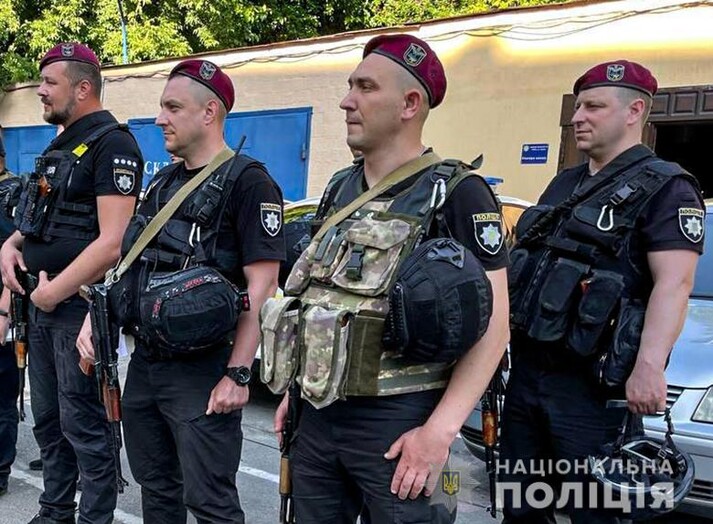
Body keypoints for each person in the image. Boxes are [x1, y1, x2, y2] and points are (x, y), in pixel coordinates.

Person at [271, 34, 510, 523]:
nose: (347, 101)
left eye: (365, 87)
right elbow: (320, 296)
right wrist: (296, 394)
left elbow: (495, 327)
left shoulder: (458, 192)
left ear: (410, 104)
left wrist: (440, 433)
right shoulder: (340, 187)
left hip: (406, 423)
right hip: (317, 418)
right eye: (350, 86)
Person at [77, 59, 284, 523]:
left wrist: (238, 374)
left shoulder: (248, 182)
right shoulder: (164, 181)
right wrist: (96, 318)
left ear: (210, 112)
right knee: (156, 490)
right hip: (147, 365)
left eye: (172, 108)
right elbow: (131, 263)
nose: (159, 119)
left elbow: (263, 286)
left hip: (204, 369)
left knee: (210, 502)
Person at [502, 60, 704, 523]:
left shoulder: (667, 188)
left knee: (593, 510)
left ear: (634, 111)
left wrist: (649, 367)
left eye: (594, 107)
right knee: (520, 504)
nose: (578, 117)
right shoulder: (565, 182)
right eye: (578, 107)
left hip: (592, 389)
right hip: (530, 375)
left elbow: (675, 283)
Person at [0, 43, 143, 524]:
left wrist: (52, 292)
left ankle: (94, 518)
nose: (40, 90)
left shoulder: (113, 145)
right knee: (48, 421)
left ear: (83, 89)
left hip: (77, 311)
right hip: (41, 310)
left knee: (84, 424)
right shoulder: (59, 146)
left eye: (49, 83)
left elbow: (113, 243)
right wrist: (10, 245)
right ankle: (55, 511)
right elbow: (39, 218)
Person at [0, 133, 19, 497]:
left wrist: (4, 311)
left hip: (2, 309)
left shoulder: (11, 194)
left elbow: (17, 260)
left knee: (1, 398)